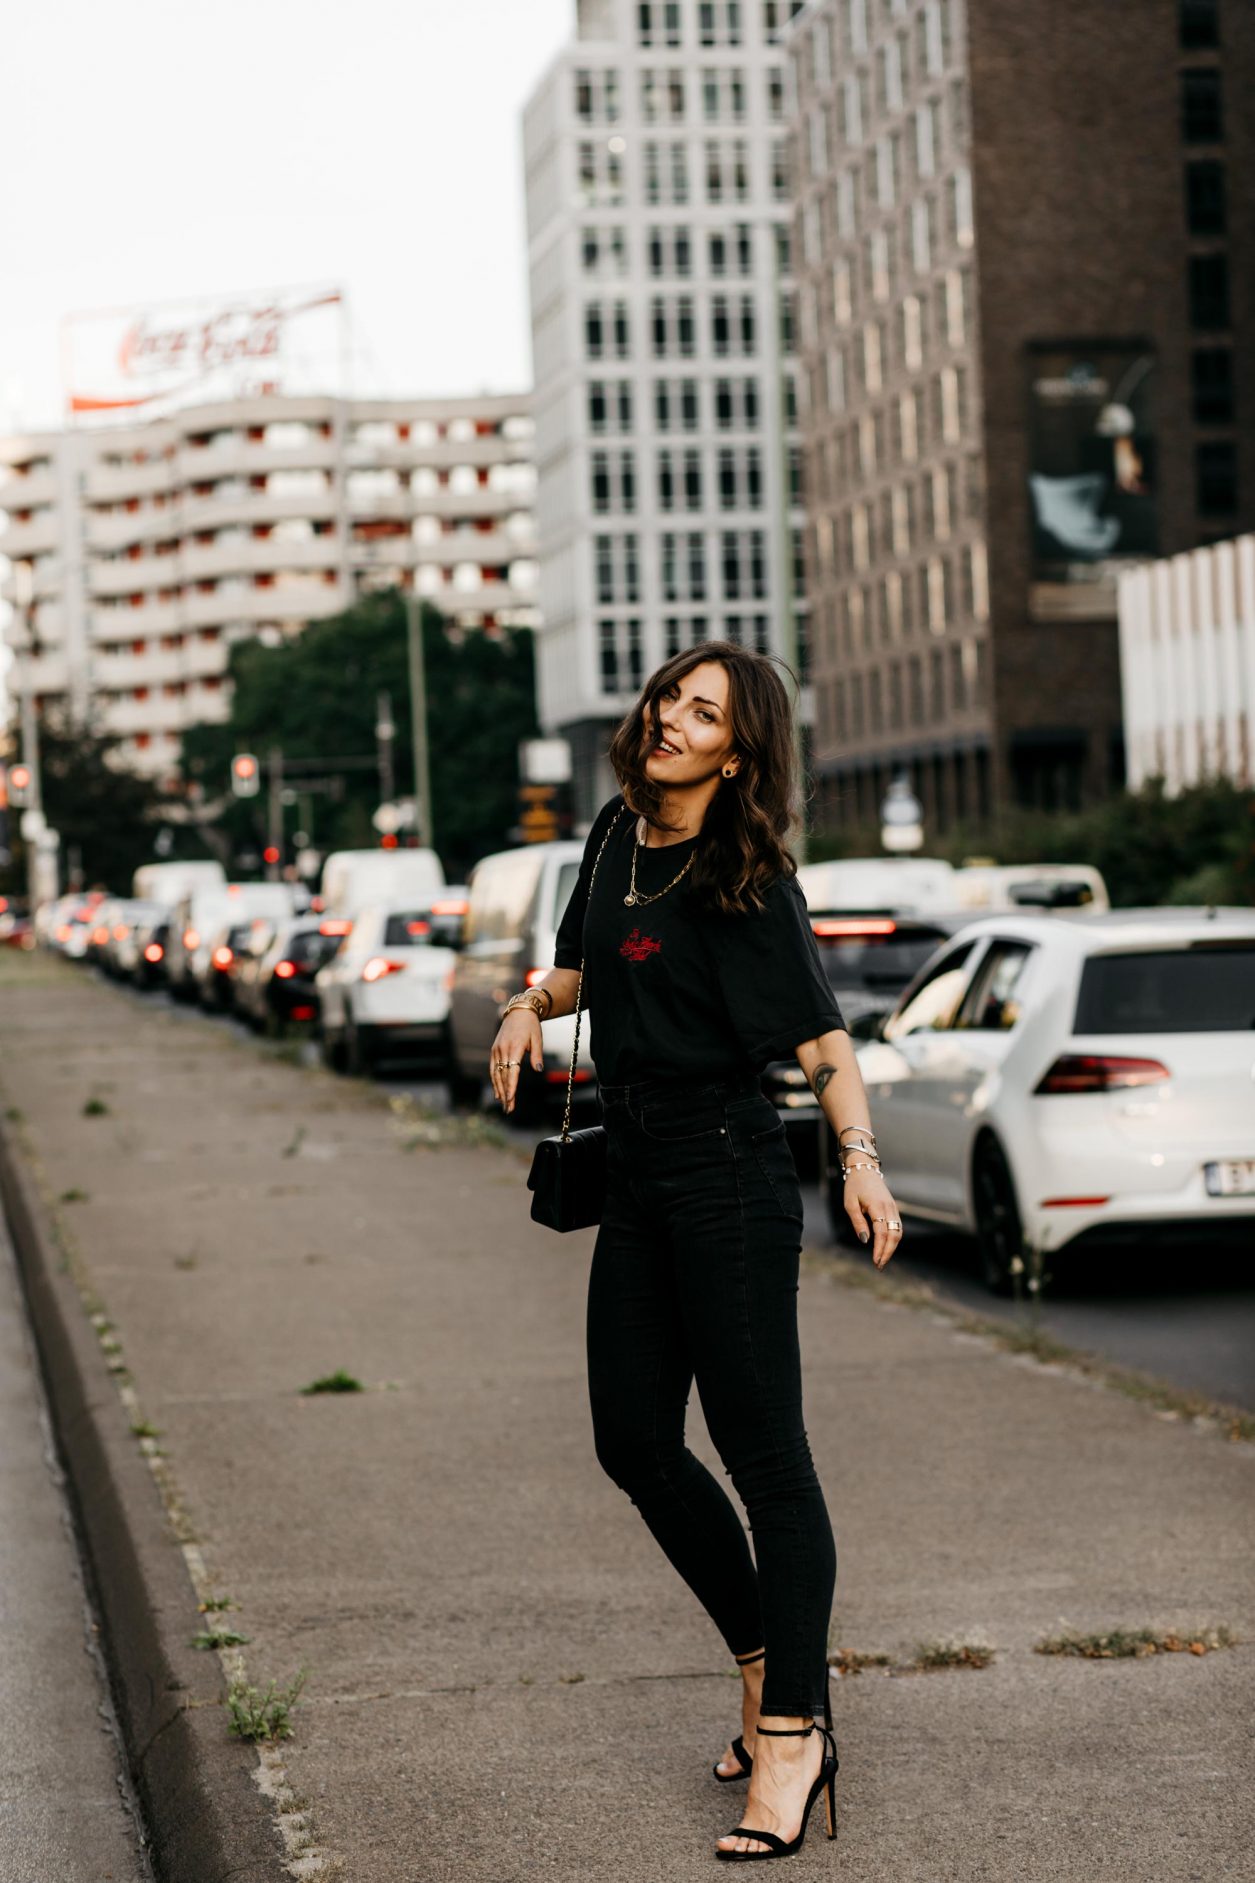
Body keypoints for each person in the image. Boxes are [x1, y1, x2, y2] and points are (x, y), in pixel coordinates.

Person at [490, 643, 903, 1862]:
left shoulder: (747, 873)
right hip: (637, 1170)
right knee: (631, 1435)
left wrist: (862, 1156)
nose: (673, 716)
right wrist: (527, 1004)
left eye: (705, 710)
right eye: (672, 695)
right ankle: (766, 1651)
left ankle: (792, 1734)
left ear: (740, 746)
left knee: (767, 1458)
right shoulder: (614, 835)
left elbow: (823, 1041)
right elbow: (582, 969)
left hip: (730, 1171)